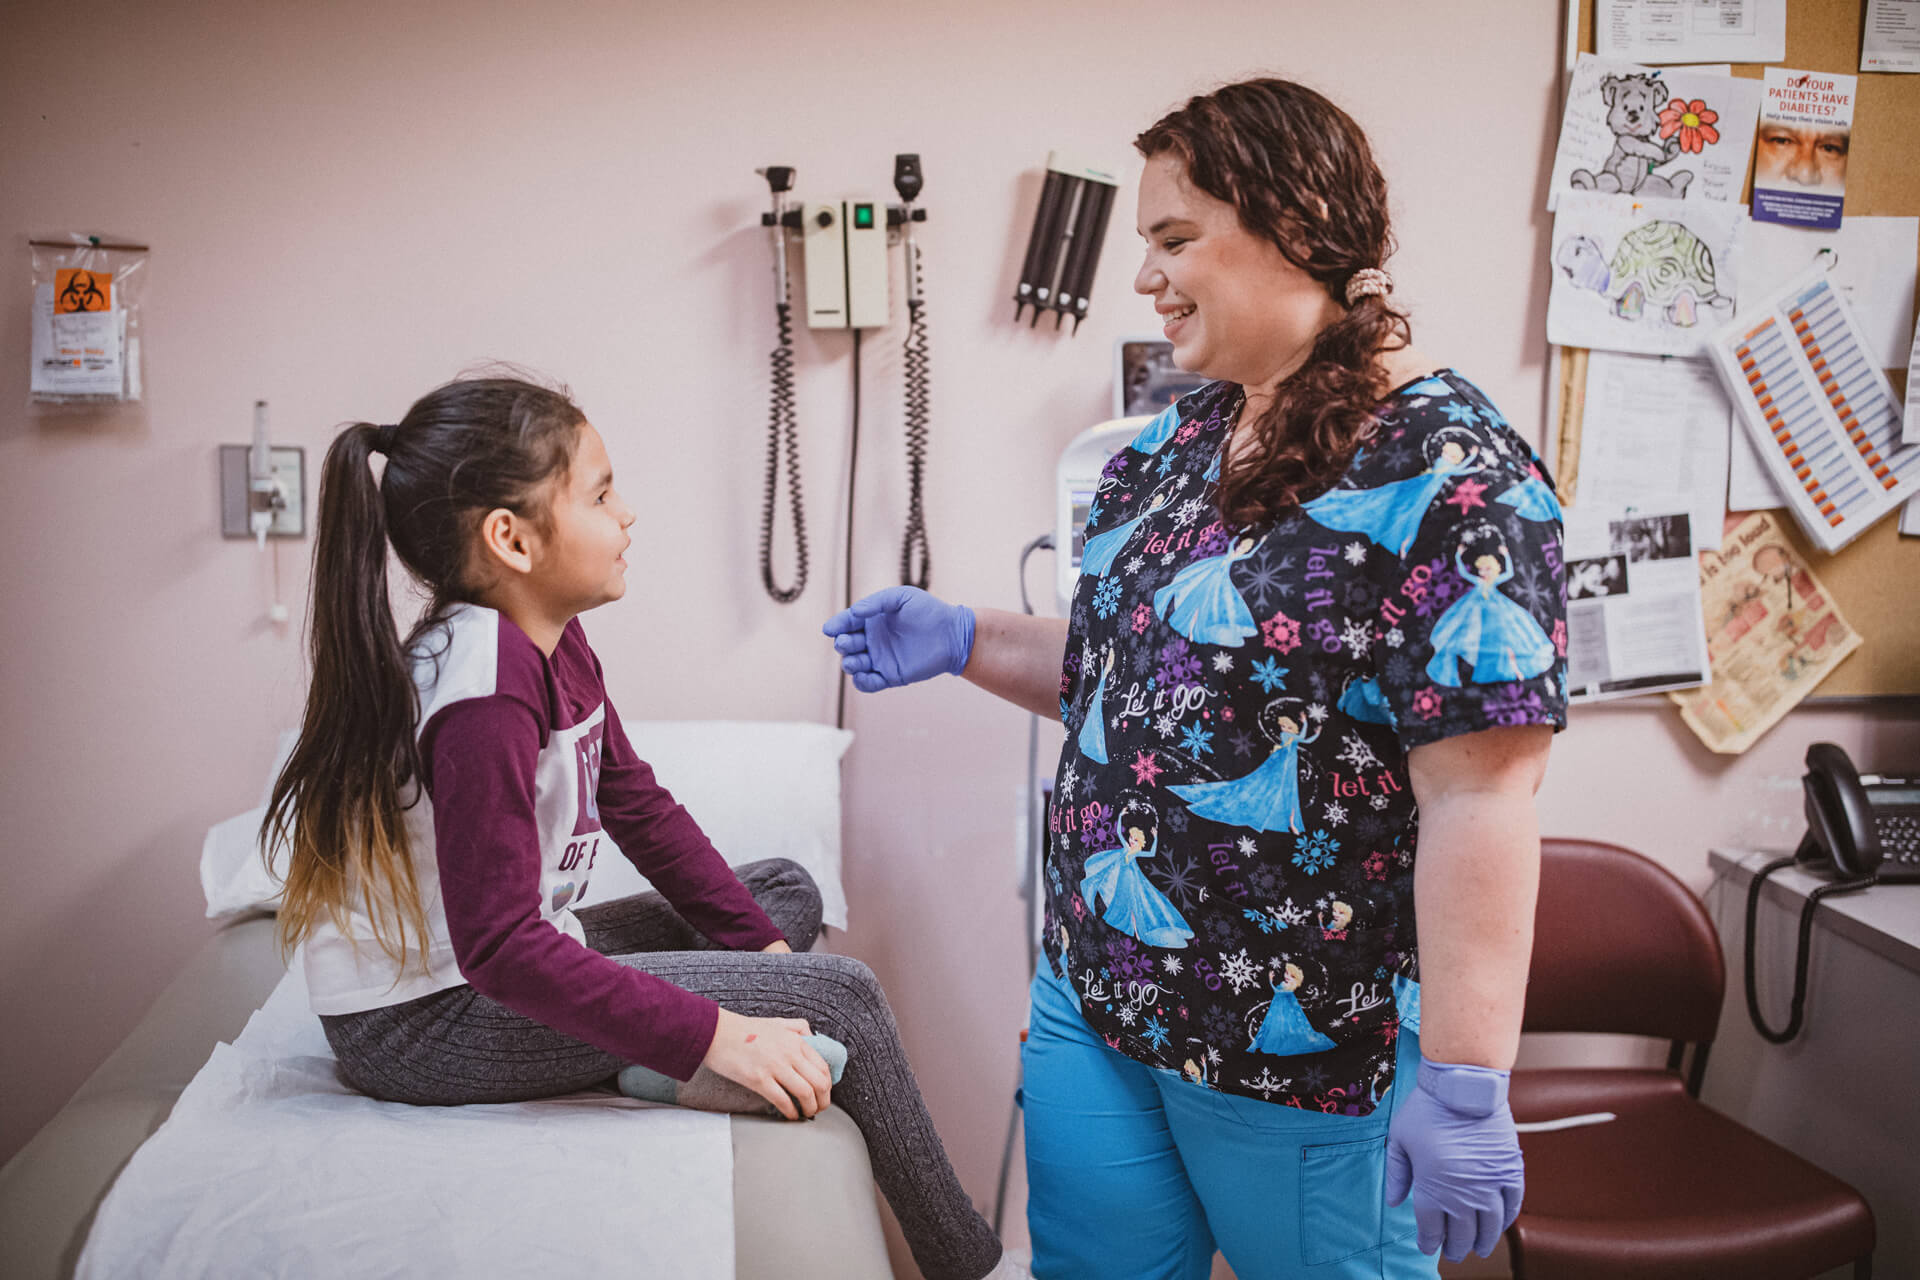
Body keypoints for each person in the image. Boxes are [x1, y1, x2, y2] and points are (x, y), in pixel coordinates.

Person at [825, 78, 1566, 1279]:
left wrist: (1472, 1078)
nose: (1145, 276)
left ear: (1298, 227)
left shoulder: (1453, 474)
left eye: (1175, 240)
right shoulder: (1181, 442)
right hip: (1098, 1001)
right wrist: (968, 636)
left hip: (1308, 1048)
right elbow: (1140, 680)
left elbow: (1482, 798)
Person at [264, 375, 1024, 1280]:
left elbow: (636, 804)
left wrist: (764, 966)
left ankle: (644, 1066)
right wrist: (717, 1032)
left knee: (781, 892)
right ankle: (974, 1269)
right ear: (511, 539)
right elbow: (499, 951)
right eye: (598, 493)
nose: (628, 513)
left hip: (500, 966)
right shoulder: (484, 696)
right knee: (843, 998)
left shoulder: (549, 636)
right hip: (420, 1025)